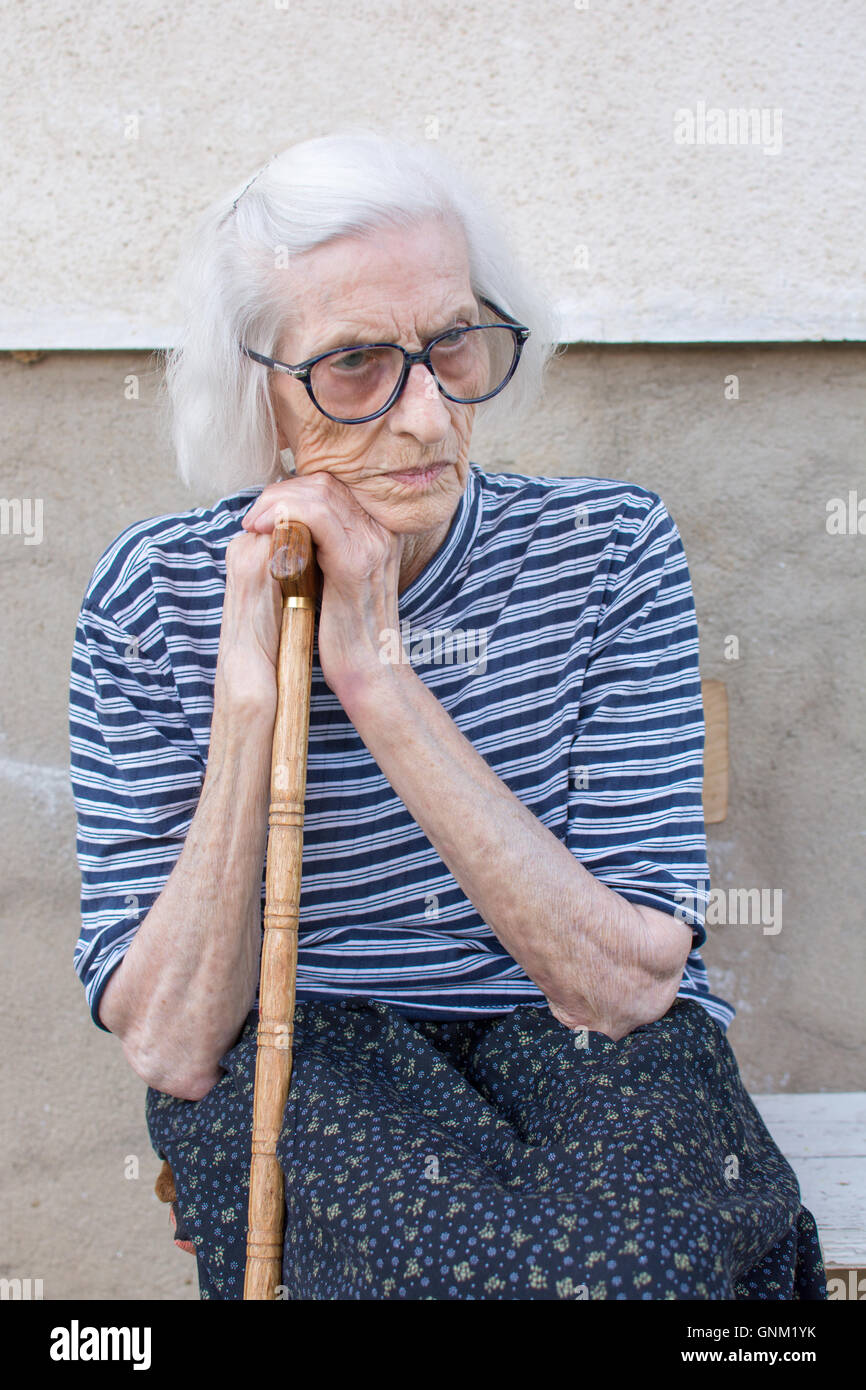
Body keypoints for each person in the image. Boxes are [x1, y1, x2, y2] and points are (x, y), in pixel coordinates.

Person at [69, 129, 826, 1300]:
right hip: (313, 1044)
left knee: (648, 1270)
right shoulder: (152, 596)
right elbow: (170, 1043)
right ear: (256, 393)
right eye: (356, 364)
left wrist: (375, 678)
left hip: (583, 1041)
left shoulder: (608, 550)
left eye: (453, 342)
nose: (427, 418)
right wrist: (250, 702)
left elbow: (624, 987)